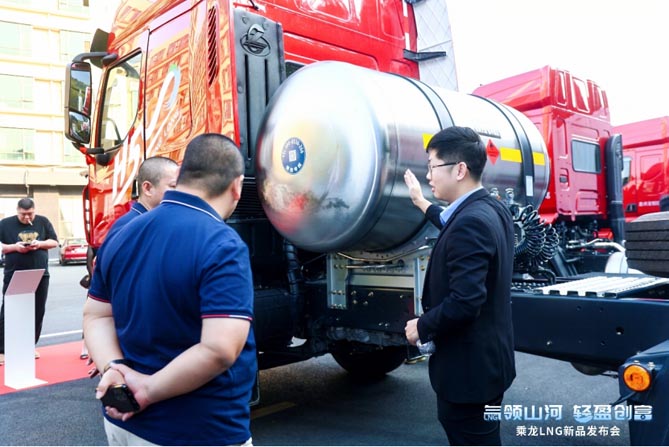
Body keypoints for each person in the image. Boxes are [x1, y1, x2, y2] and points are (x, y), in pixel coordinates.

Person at [84, 133, 256, 446]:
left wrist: (114, 367)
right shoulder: (223, 244)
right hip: (197, 430)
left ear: (179, 176)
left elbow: (96, 315)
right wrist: (146, 390)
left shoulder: (122, 232)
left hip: (121, 423)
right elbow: (219, 349)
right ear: (237, 186)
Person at [403, 126, 516, 446]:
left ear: (460, 169)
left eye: (432, 166)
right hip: (488, 365)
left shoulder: (471, 222)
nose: (428, 175)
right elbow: (449, 220)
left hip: (469, 375)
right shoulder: (491, 207)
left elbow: (466, 301)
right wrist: (421, 202)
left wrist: (422, 326)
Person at [78, 156, 179, 360]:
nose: (180, 193)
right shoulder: (134, 229)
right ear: (147, 188)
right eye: (173, 186)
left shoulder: (138, 223)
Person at [0, 198, 59, 365]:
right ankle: (2, 349)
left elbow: (54, 242)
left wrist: (39, 244)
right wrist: (15, 247)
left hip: (40, 273)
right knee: (9, 311)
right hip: (15, 273)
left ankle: (28, 345)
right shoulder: (5, 224)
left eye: (30, 214)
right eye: (23, 214)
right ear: (17, 211)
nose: (27, 218)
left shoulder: (43, 221)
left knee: (37, 310)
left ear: (35, 210)